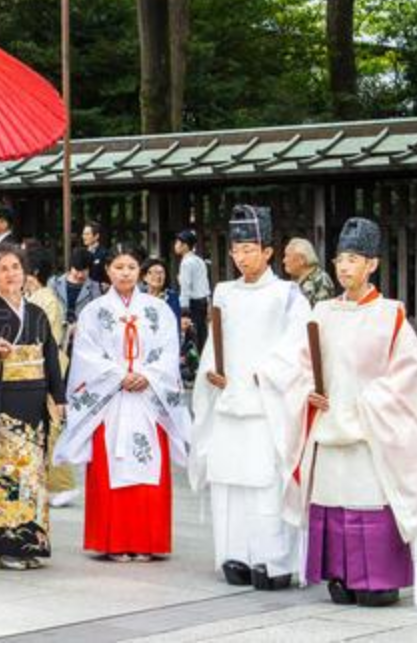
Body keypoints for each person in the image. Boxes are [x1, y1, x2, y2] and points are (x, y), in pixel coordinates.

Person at [261, 218, 416, 607]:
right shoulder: (322, 313)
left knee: (368, 502)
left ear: (372, 265)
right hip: (328, 427)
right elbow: (297, 365)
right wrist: (306, 392)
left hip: (369, 432)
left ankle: (379, 579)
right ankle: (340, 576)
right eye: (339, 260)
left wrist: (367, 403)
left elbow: (407, 376)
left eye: (353, 259)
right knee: (333, 502)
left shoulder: (391, 315)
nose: (345, 267)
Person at [190, 205, 310, 590]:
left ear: (268, 252)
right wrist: (212, 372)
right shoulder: (224, 292)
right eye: (236, 251)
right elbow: (213, 345)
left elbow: (300, 346)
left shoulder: (288, 295)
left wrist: (268, 373)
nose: (241, 258)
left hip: (265, 403)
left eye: (249, 250)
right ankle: (233, 553)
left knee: (265, 483)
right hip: (228, 402)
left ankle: (272, 560)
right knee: (228, 481)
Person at [55, 244, 190, 562]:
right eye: (119, 267)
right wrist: (119, 375)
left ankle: (147, 541)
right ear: (108, 272)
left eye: (131, 266)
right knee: (109, 468)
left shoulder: (158, 311)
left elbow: (170, 351)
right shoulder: (93, 312)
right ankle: (113, 541)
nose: (126, 272)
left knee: (148, 469)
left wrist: (146, 374)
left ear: (139, 270)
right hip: (110, 400)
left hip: (147, 397)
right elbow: (86, 355)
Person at [0, 243, 66, 570]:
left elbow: (50, 355)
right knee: (7, 474)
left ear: (25, 273)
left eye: (16, 267)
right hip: (4, 401)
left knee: (33, 475)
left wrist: (59, 396)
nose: (12, 273)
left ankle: (30, 542)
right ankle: (5, 546)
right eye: (4, 268)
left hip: (35, 400)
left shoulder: (36, 312)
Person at [25, 248, 79, 508]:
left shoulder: (45, 299)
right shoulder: (36, 297)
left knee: (52, 427)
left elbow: (48, 341)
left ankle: (63, 485)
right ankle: (44, 483)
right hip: (33, 367)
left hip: (46, 368)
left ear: (33, 272)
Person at [173, 229, 210, 352]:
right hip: (203, 301)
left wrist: (183, 309)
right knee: (201, 334)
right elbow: (205, 283)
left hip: (192, 304)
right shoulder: (198, 260)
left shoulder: (186, 263)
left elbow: (185, 288)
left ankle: (194, 365)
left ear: (184, 245)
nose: (175, 245)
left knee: (191, 337)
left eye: (177, 243)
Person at [49, 248, 103, 327]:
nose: (80, 275)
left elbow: (97, 314)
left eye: (84, 271)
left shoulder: (95, 287)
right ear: (71, 267)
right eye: (77, 270)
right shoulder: (54, 283)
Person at [283, 237, 335, 308]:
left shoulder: (321, 281)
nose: (284, 260)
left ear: (302, 260)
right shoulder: (299, 280)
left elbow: (320, 315)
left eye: (287, 256)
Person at [141, 258, 181, 326]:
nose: (157, 276)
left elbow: (176, 323)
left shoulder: (172, 297)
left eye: (161, 272)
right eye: (152, 272)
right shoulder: (139, 297)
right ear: (144, 277)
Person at [82, 221, 109, 286]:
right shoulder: (81, 254)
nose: (84, 237)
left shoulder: (104, 254)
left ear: (96, 236)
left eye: (87, 234)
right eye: (83, 234)